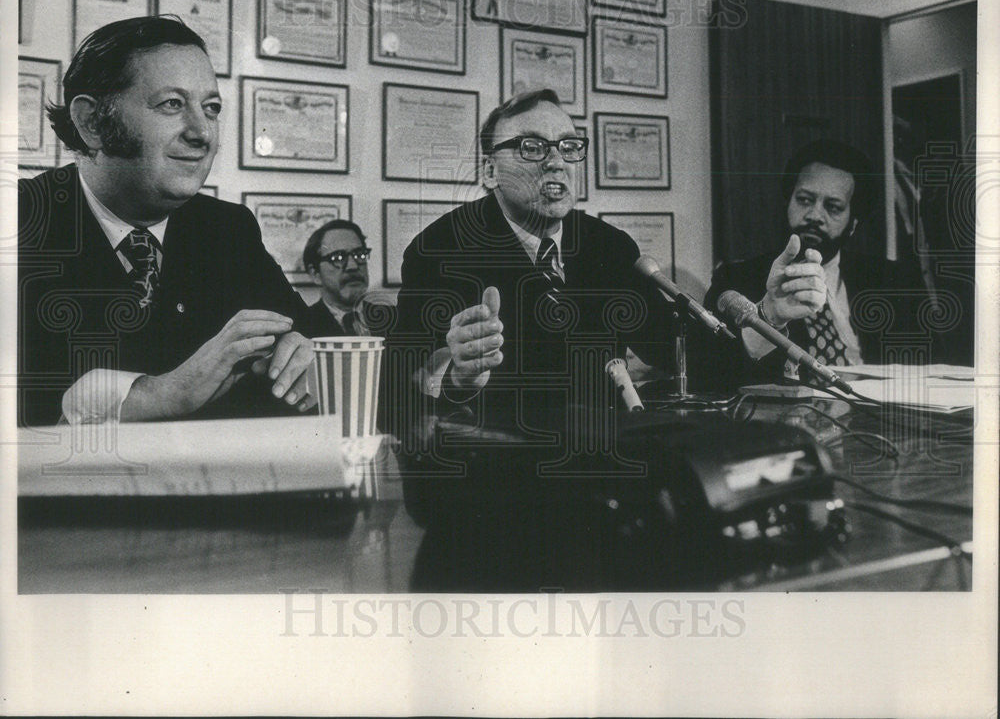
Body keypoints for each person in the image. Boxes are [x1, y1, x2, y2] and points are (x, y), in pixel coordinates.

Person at [388, 89, 677, 590]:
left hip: (602, 482)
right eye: (530, 147)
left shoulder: (608, 245)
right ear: (488, 172)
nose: (555, 163)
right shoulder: (439, 249)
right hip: (492, 498)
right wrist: (455, 374)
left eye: (568, 147)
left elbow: (671, 347)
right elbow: (396, 390)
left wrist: (768, 317)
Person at [17, 16, 315, 427]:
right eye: (172, 104)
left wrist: (305, 351)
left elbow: (318, 338)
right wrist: (155, 395)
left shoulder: (227, 228)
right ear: (91, 122)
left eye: (210, 109)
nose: (202, 133)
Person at [701, 138, 926, 390]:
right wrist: (768, 317)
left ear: (852, 224)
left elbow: (929, 368)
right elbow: (709, 370)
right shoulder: (737, 279)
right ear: (787, 203)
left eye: (832, 207)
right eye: (805, 200)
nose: (814, 216)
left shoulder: (894, 280)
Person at [301, 219, 373, 337]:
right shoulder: (302, 327)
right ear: (315, 274)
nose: (353, 266)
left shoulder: (397, 319)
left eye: (359, 254)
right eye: (338, 258)